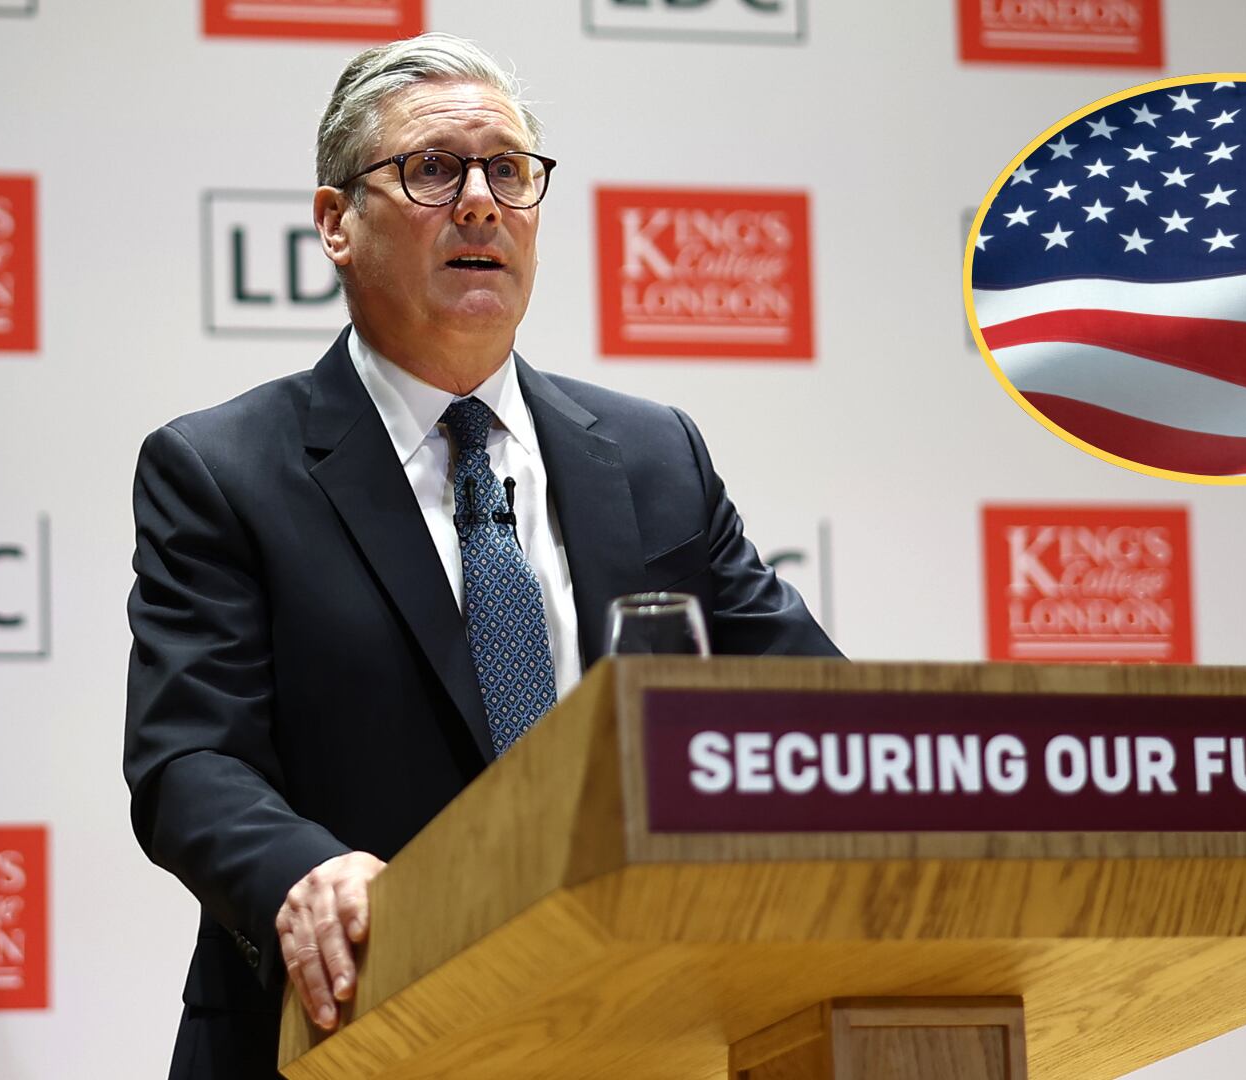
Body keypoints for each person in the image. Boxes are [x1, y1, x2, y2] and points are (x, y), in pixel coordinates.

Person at [123, 32, 840, 1079]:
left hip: (639, 1025)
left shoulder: (653, 455)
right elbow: (189, 758)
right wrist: (303, 876)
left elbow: (811, 710)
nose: (479, 202)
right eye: (431, 170)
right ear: (335, 222)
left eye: (508, 170)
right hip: (353, 1030)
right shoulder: (221, 469)